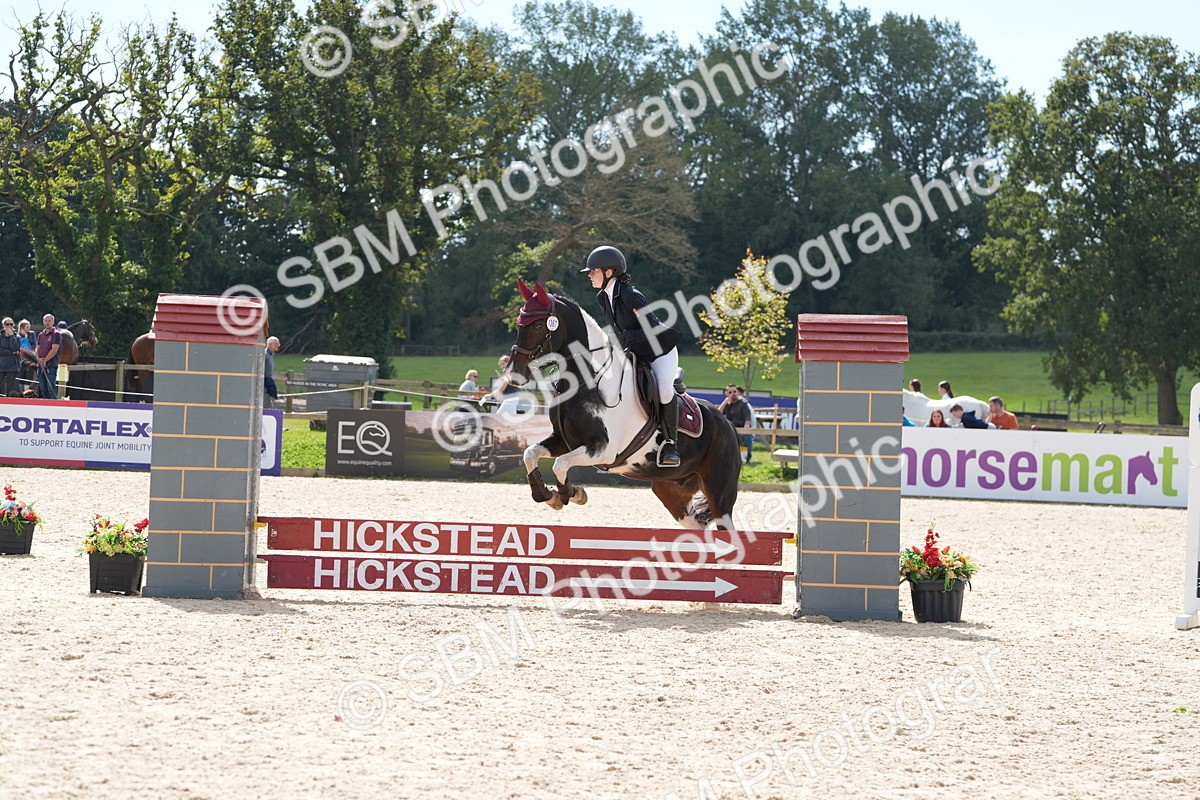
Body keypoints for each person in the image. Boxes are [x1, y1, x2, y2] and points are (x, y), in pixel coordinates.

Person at [582, 245, 683, 467]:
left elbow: (652, 328)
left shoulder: (631, 296)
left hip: (659, 352)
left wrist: (624, 338)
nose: (589, 274)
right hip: (635, 352)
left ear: (609, 272)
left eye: (593, 270)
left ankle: (670, 444)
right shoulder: (603, 297)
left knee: (665, 389)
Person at [718, 384, 753, 463]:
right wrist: (725, 402)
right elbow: (718, 414)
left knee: (747, 436)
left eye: (734, 391)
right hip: (730, 429)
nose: (732, 394)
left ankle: (746, 459)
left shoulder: (743, 403)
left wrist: (746, 428)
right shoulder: (727, 404)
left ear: (737, 392)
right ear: (727, 394)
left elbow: (747, 417)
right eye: (730, 392)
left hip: (741, 428)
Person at [35, 314, 62, 399]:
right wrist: (37, 358)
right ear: (43, 322)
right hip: (40, 366)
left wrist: (45, 360)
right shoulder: (40, 334)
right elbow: (37, 348)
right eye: (45, 321)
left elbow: (54, 349)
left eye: (49, 321)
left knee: (51, 389)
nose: (47, 323)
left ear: (53, 322)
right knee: (43, 390)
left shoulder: (56, 334)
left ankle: (54, 408)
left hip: (51, 365)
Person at [0, 318, 21, 397]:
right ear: (3, 325)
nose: (9, 326)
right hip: (1, 364)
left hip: (12, 366)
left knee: (10, 388)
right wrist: (11, 352)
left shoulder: (17, 337)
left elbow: (15, 348)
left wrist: (12, 336)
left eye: (11, 324)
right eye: (7, 324)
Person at [264, 336, 280, 408]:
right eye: (276, 343)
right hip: (265, 384)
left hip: (268, 383)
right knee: (267, 405)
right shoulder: (265, 355)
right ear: (270, 344)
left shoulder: (270, 355)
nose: (278, 345)